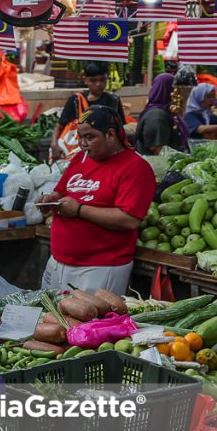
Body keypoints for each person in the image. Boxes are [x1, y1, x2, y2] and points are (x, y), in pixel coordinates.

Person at [39, 105, 156, 295]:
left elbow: (129, 219)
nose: (83, 144)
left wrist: (79, 210)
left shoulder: (135, 168)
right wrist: (51, 199)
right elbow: (61, 191)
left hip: (99, 268)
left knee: (90, 323)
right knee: (53, 321)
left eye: (90, 137)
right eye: (80, 137)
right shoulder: (81, 159)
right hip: (59, 261)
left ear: (110, 135)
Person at [51, 61, 126, 159]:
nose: (98, 84)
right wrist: (54, 144)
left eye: (102, 79)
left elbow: (121, 128)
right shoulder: (75, 101)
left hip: (108, 153)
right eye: (93, 80)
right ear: (85, 80)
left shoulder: (113, 101)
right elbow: (60, 126)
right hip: (80, 152)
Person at [135, 73, 186, 154]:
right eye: (176, 89)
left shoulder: (167, 112)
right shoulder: (156, 116)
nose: (179, 94)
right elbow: (158, 150)